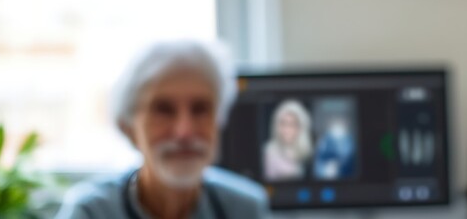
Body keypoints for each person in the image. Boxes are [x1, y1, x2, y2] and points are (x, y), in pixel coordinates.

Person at [55, 39, 270, 219]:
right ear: (128, 128)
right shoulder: (92, 212)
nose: (185, 132)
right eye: (163, 110)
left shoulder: (244, 209)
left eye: (200, 109)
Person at [263, 99, 313, 181]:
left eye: (292, 124)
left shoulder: (305, 151)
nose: (286, 130)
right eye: (283, 124)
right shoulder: (269, 152)